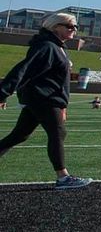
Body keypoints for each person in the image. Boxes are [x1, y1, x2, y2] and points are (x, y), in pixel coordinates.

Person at [0, 12, 93, 189]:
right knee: (58, 133)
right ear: (56, 26)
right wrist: (3, 92)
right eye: (70, 26)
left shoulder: (59, 48)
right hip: (43, 98)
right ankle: (63, 177)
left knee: (19, 135)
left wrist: (63, 105)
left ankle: (63, 177)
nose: (74, 30)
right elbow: (22, 70)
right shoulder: (47, 46)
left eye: (76, 27)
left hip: (47, 98)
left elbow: (58, 79)